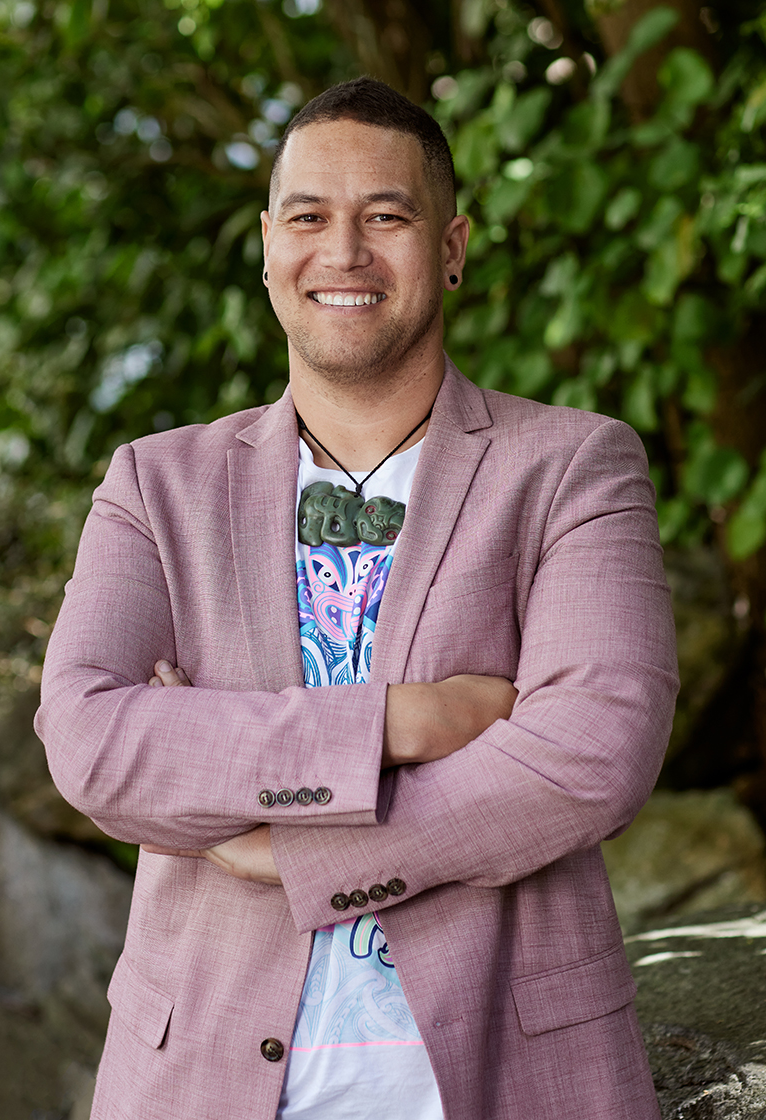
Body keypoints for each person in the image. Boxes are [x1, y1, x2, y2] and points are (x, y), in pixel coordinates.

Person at [36, 77, 678, 1120]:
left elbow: (591, 752)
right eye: (308, 217)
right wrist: (406, 723)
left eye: (386, 215)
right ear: (265, 245)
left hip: (509, 1083)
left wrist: (289, 847)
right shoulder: (157, 484)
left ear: (453, 244)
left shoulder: (570, 465)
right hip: (196, 1083)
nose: (343, 252)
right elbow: (92, 740)